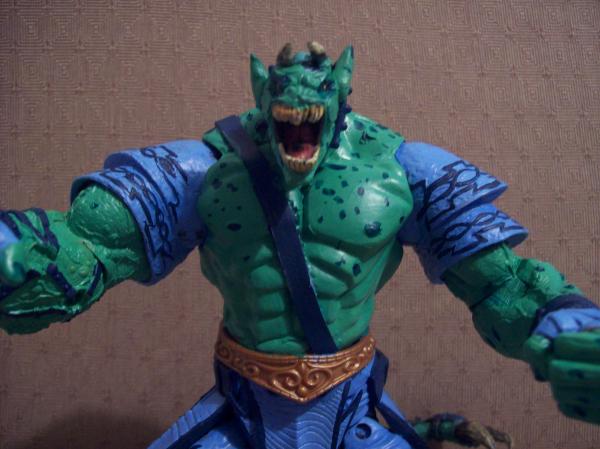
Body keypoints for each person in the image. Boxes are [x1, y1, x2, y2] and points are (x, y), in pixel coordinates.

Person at [1, 42, 599, 449]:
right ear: (261, 89)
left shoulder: (404, 170)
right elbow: (88, 245)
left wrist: (570, 331)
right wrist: (25, 256)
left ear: (343, 85)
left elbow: (505, 285)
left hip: (349, 408)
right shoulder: (201, 170)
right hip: (242, 410)